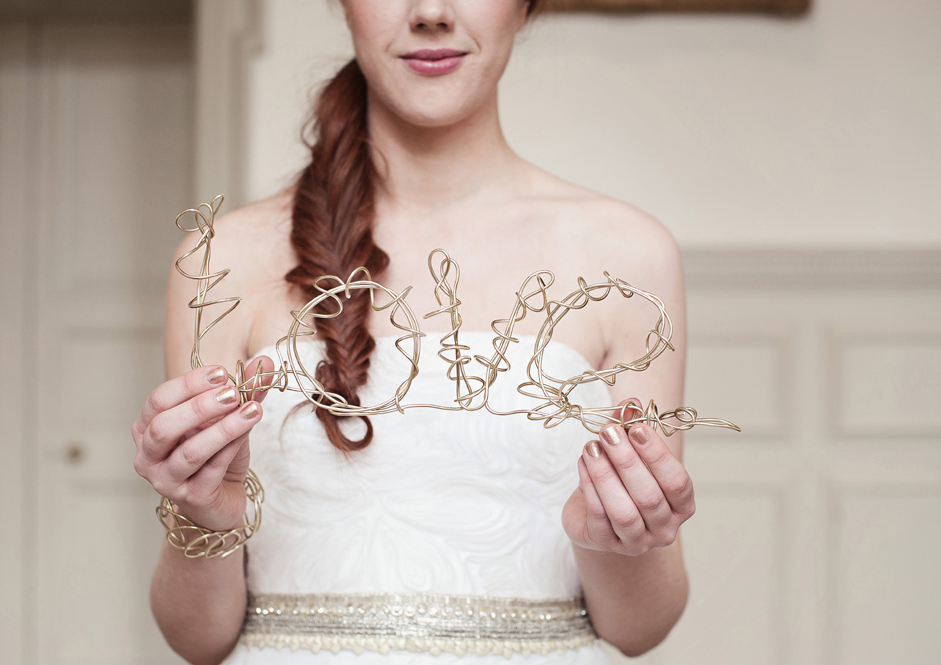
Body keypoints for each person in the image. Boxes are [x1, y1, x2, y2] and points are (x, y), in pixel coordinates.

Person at [131, 1, 695, 663]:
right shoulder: (220, 260)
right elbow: (197, 638)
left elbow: (640, 626)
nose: (430, 10)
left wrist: (613, 541)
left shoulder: (627, 258)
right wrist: (204, 514)